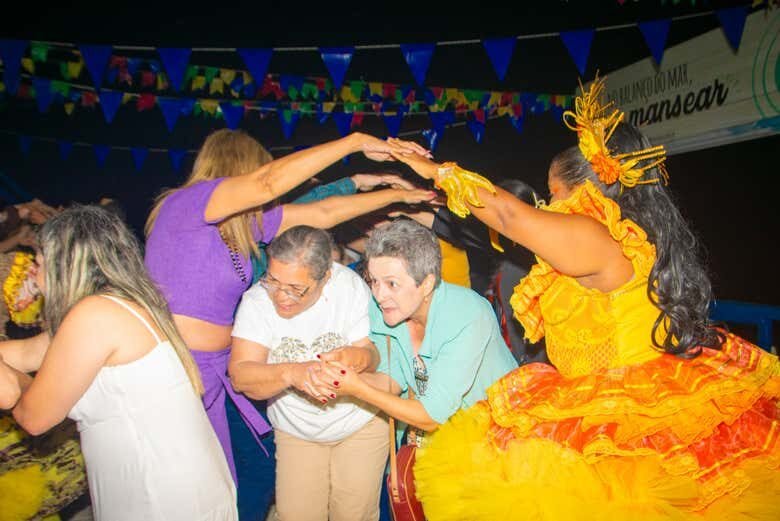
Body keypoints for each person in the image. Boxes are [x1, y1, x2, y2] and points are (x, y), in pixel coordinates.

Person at [388, 77, 780, 520]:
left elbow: (508, 215)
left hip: (622, 416)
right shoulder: (623, 234)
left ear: (582, 188)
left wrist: (435, 171)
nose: (548, 206)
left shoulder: (596, 235)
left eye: (553, 194)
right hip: (609, 395)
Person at [143, 128, 434, 517]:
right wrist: (354, 143)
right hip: (179, 366)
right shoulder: (185, 206)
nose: (270, 196)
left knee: (227, 483)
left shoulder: (242, 226)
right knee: (190, 485)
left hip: (216, 372)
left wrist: (398, 196)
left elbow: (323, 214)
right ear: (242, 171)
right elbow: (267, 183)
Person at [0, 205, 237, 521]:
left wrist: (13, 382)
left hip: (160, 496)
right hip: (177, 486)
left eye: (39, 263)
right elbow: (25, 353)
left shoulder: (94, 316)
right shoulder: (116, 307)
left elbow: (33, 417)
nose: (32, 272)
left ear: (63, 265)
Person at [229, 225, 388, 521]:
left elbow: (374, 355)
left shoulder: (348, 286)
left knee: (354, 514)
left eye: (296, 288)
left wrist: (354, 357)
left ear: (325, 277)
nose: (281, 296)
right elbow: (241, 375)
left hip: (359, 422)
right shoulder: (256, 302)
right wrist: (292, 373)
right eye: (272, 280)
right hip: (296, 430)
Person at [316, 218, 517, 449]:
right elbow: (391, 381)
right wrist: (335, 377)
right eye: (374, 281)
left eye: (392, 284)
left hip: (496, 438)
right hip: (436, 444)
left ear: (427, 284)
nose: (379, 295)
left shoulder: (467, 314)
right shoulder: (384, 310)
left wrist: (358, 389)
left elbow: (431, 416)